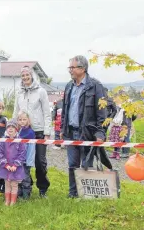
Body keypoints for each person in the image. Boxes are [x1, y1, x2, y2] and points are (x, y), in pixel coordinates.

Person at [60, 55, 106, 198]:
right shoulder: (69, 86)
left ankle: (86, 194)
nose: (70, 70)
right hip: (71, 132)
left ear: (82, 68)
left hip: (87, 133)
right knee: (72, 165)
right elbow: (65, 111)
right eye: (70, 67)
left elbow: (101, 112)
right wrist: (62, 129)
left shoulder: (95, 86)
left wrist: (100, 133)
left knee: (86, 165)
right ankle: (73, 193)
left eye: (72, 67)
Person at [13, 65, 51, 198]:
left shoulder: (41, 91)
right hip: (23, 131)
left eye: (27, 75)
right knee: (22, 161)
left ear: (32, 75)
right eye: (23, 75)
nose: (25, 77)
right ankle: (24, 187)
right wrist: (12, 128)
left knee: (40, 162)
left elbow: (47, 112)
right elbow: (15, 112)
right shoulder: (19, 92)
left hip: (38, 131)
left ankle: (43, 189)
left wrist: (47, 132)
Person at [0, 119, 26, 206]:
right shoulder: (2, 140)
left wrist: (15, 165)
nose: (10, 128)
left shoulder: (20, 140)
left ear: (16, 129)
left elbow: (22, 153)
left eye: (13, 127)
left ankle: (13, 202)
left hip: (16, 168)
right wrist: (5, 165)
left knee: (14, 184)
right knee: (7, 184)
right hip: (6, 167)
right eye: (8, 127)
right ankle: (7, 201)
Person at [17, 110, 36, 200]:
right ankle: (19, 192)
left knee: (25, 177)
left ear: (28, 120)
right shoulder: (19, 131)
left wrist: (29, 161)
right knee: (19, 177)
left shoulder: (30, 132)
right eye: (20, 119)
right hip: (18, 160)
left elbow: (31, 150)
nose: (22, 121)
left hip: (26, 160)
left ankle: (26, 194)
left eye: (24, 119)